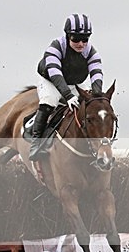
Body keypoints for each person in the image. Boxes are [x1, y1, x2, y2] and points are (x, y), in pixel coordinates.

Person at [30, 13, 104, 160]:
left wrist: (97, 96)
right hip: (51, 81)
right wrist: (68, 96)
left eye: (85, 39)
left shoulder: (91, 52)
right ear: (67, 35)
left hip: (75, 82)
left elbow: (96, 73)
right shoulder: (56, 47)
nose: (81, 44)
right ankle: (36, 143)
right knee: (49, 102)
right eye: (76, 39)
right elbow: (55, 74)